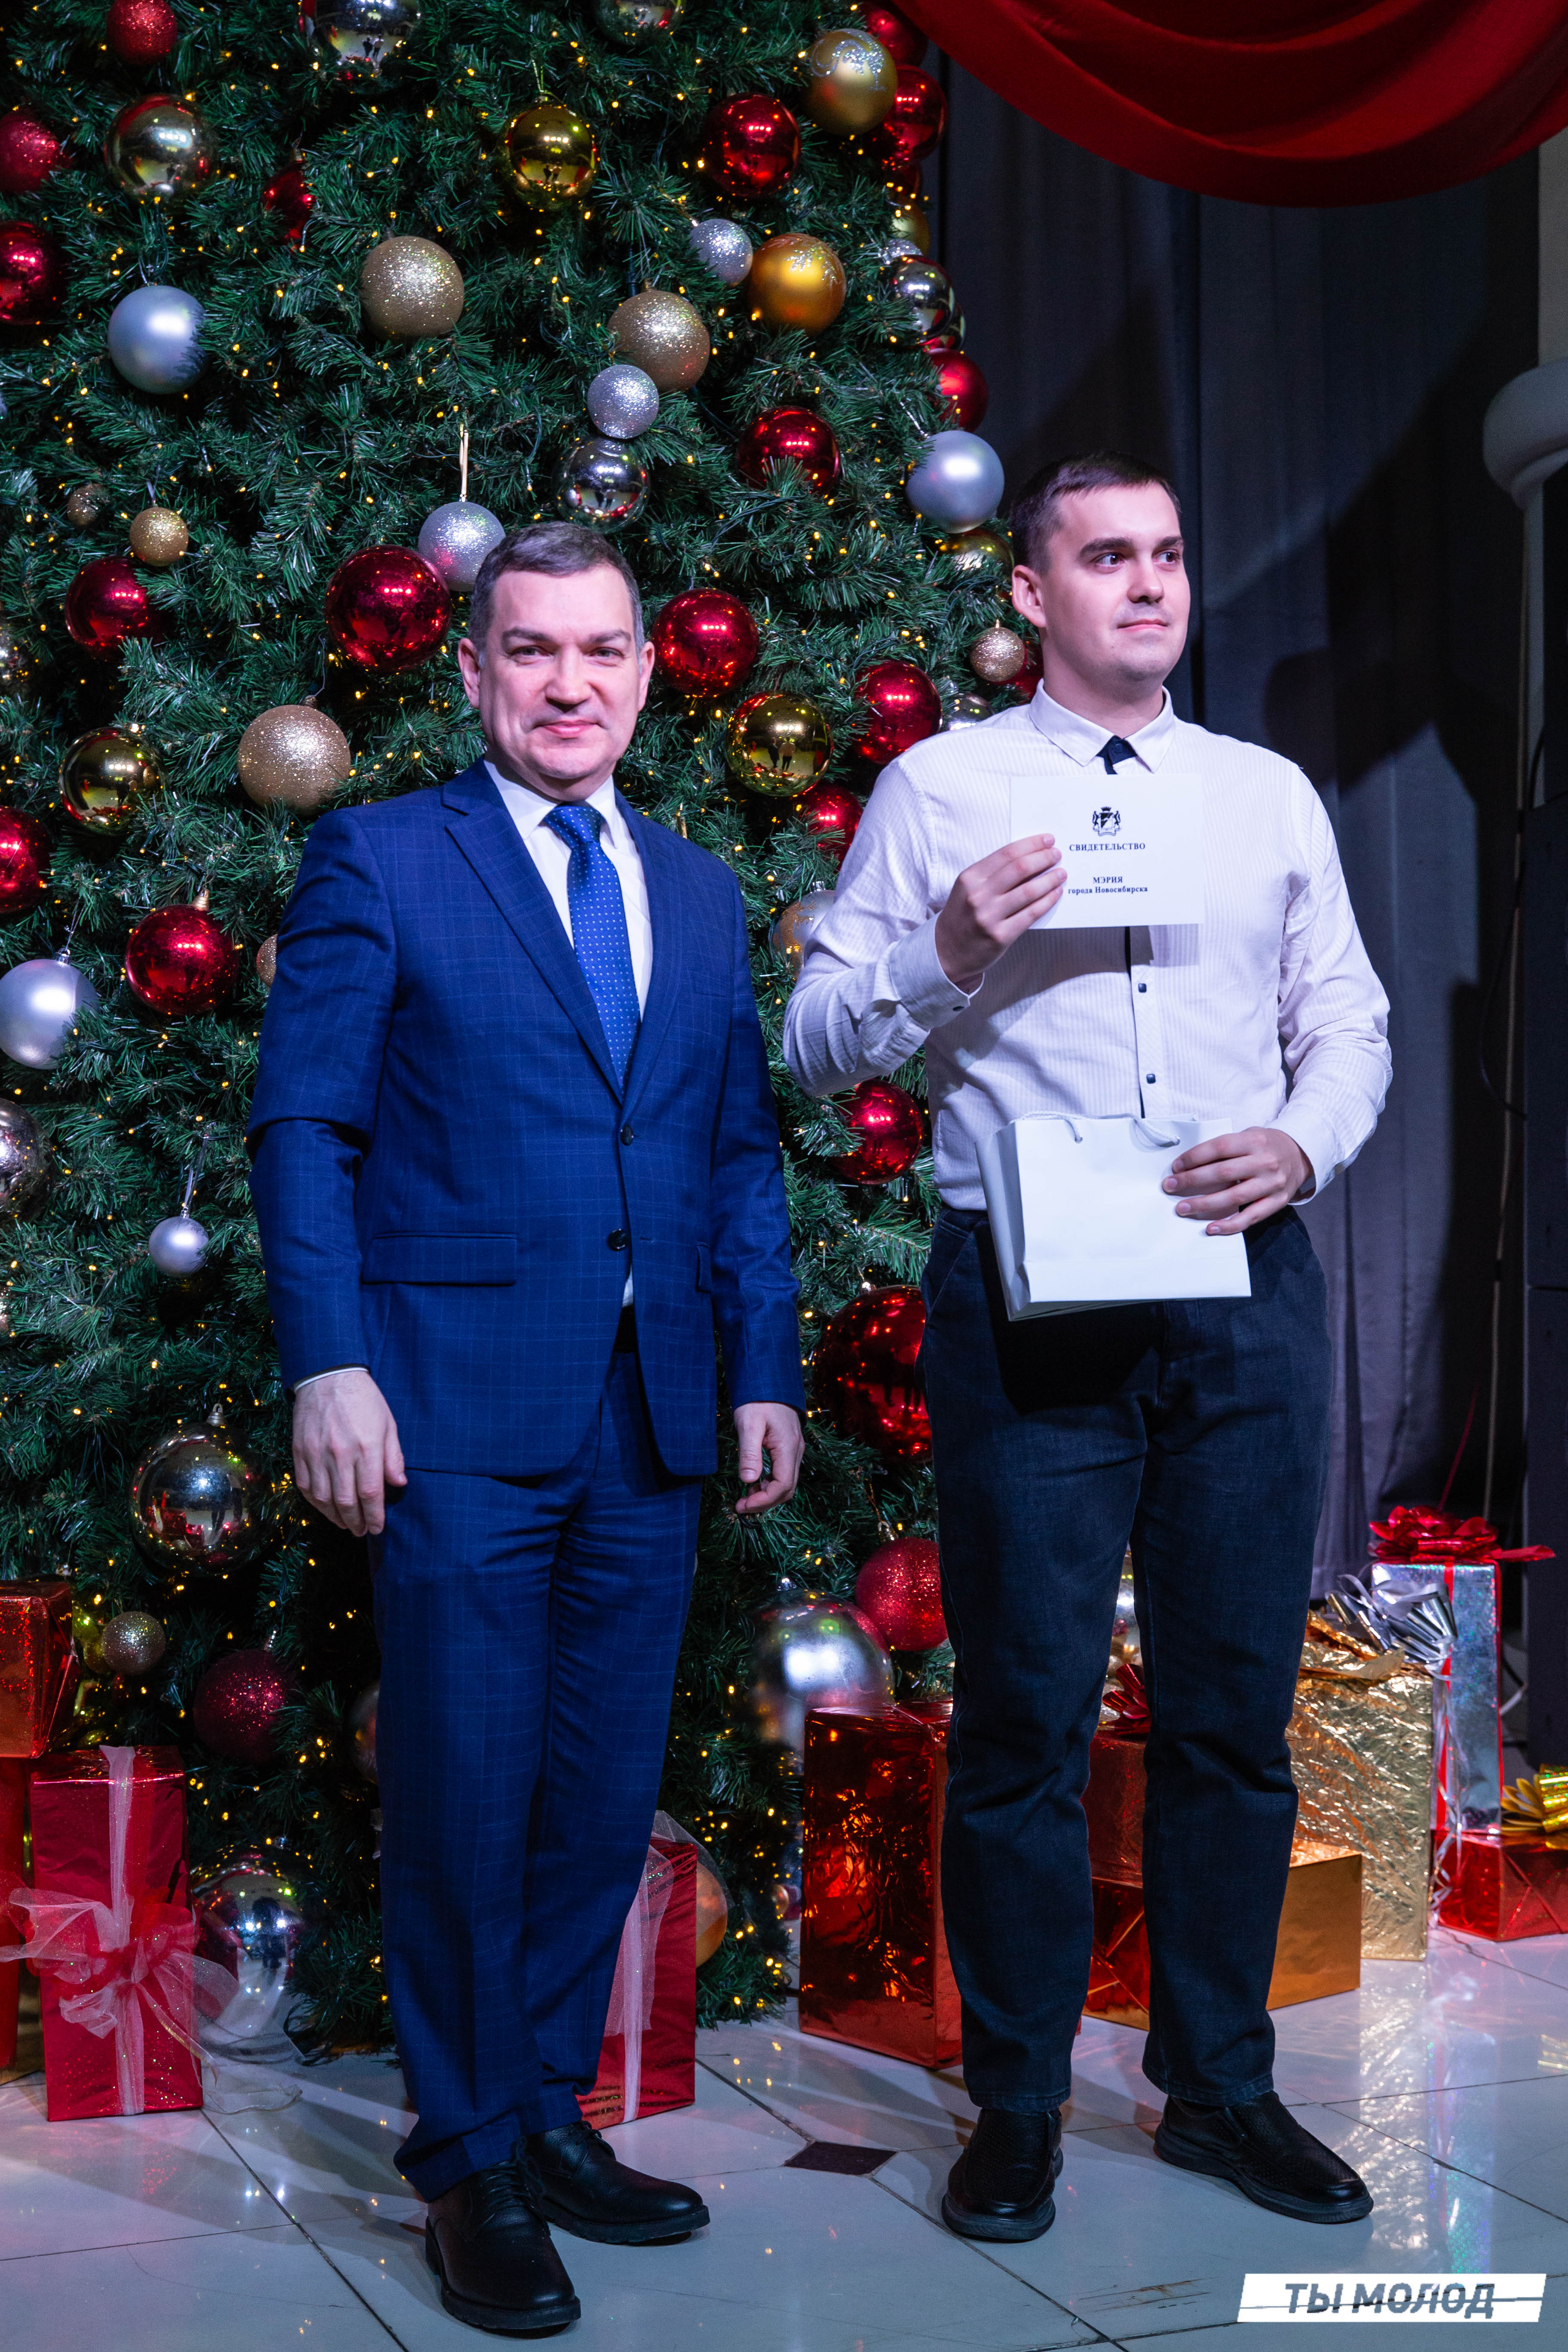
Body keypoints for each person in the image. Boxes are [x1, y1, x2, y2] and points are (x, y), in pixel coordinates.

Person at [784, 451, 1390, 2239]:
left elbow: (1347, 1017)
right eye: (1106, 555)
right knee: (1026, 1717)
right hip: (1030, 1298)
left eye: (1169, 554)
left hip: (1240, 1291)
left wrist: (1304, 1144)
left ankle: (1219, 2088)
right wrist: (946, 950)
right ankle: (1022, 2101)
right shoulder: (940, 786)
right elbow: (821, 1041)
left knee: (1231, 1716)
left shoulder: (1262, 794)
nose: (1148, 583)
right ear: (1031, 593)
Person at [248, 522, 805, 2337]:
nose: (571, 684)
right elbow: (308, 1130)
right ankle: (465, 2159)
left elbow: (733, 1153)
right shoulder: (384, 856)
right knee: (467, 1793)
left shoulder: (699, 891)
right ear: (475, 671)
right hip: (455, 1408)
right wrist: (330, 1366)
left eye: (602, 651)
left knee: (596, 1795)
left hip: (653, 1416)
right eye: (533, 651)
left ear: (646, 673)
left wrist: (762, 1364)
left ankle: (546, 2112)